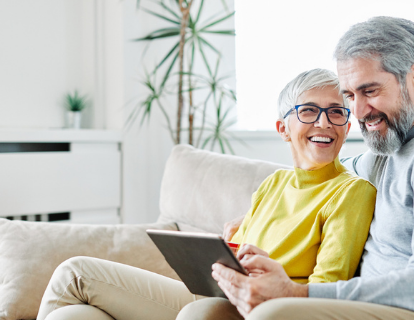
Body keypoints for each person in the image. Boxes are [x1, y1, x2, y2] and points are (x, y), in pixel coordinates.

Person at [208, 16, 414, 320]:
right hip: (385, 310)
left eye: (370, 91)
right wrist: (262, 212)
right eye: (350, 96)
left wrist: (296, 293)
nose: (359, 110)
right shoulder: (385, 150)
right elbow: (317, 175)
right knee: (206, 312)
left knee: (277, 313)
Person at [36, 69, 376, 320]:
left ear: (347, 126)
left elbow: (327, 289)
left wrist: (273, 281)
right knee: (72, 302)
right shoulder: (274, 184)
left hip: (262, 309)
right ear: (283, 129)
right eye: (308, 111)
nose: (324, 122)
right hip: (216, 293)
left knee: (197, 312)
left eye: (336, 112)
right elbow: (234, 260)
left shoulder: (352, 191)